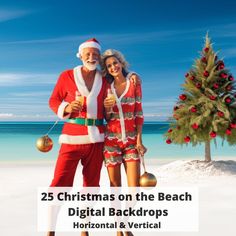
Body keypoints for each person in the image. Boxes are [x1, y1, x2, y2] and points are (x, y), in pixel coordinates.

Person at [47, 38, 106, 236]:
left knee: (92, 186)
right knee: (59, 183)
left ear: (99, 57)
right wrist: (66, 108)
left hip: (96, 141)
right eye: (88, 54)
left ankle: (84, 229)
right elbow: (54, 100)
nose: (91, 57)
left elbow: (123, 74)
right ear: (80, 55)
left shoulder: (105, 78)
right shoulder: (66, 76)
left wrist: (134, 76)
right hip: (71, 139)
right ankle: (50, 229)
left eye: (95, 54)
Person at [101, 49, 147, 236]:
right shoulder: (106, 87)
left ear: (121, 63)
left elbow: (138, 113)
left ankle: (123, 222)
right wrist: (108, 108)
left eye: (115, 63)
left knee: (134, 189)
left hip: (130, 142)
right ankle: (121, 228)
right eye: (109, 66)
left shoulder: (133, 83)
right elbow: (107, 117)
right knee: (115, 187)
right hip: (110, 141)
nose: (113, 67)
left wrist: (139, 140)